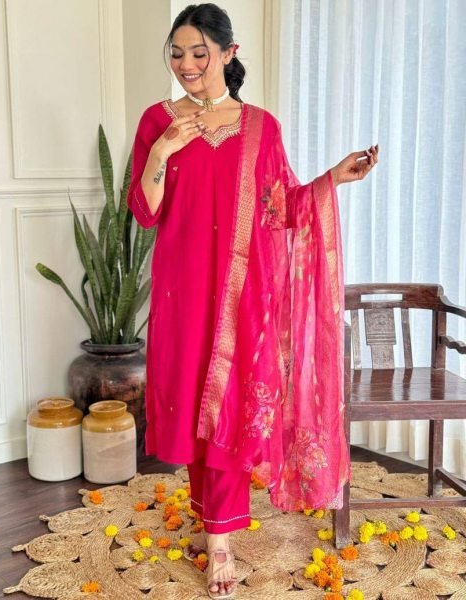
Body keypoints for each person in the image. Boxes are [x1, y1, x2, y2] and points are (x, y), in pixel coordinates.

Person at [127, 3, 379, 598]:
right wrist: (162, 151)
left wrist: (331, 179)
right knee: (194, 399)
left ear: (229, 54)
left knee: (230, 405)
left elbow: (280, 209)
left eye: (199, 53)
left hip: (242, 293)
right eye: (177, 53)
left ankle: (220, 539)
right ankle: (210, 515)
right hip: (182, 288)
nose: (186, 64)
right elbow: (145, 212)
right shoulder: (157, 120)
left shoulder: (262, 127)